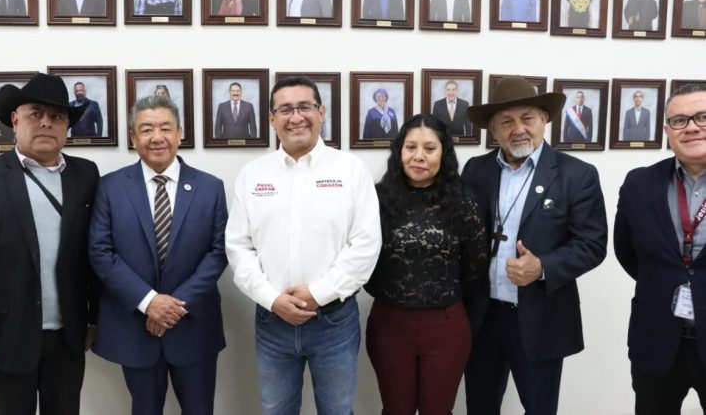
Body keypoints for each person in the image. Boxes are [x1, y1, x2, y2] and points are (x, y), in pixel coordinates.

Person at [225, 76, 381, 415]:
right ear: (272, 119)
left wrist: (318, 293)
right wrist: (272, 299)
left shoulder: (351, 170)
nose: (296, 117)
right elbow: (238, 247)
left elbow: (366, 245)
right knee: (276, 410)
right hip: (272, 320)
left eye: (304, 107)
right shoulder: (253, 175)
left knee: (337, 411)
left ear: (321, 112)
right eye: (285, 110)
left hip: (334, 320)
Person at [0, 73, 99, 414]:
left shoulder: (86, 174)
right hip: (5, 336)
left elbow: (95, 253)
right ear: (15, 120)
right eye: (35, 114)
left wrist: (94, 318)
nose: (46, 123)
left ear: (66, 126)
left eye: (56, 116)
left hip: (68, 336)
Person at [461, 76, 608, 415]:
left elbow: (592, 244)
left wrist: (542, 266)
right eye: (506, 121)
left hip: (540, 319)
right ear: (493, 129)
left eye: (527, 118)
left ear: (544, 118)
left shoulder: (577, 175)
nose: (518, 129)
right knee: (479, 407)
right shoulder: (476, 170)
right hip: (482, 317)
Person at [89, 95, 227, 415]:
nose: (157, 137)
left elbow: (218, 252)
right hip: (135, 328)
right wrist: (149, 301)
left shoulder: (210, 187)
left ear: (180, 133)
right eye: (146, 129)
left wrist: (174, 307)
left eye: (165, 128)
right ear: (133, 137)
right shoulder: (110, 187)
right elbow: (100, 252)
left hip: (194, 326)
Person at [365, 114, 487, 414]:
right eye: (410, 147)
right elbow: (361, 261)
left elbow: (476, 266)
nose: (418, 156)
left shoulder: (463, 199)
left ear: (444, 154)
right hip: (389, 325)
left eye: (429, 148)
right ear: (400, 151)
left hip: (446, 326)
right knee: (396, 410)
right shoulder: (376, 199)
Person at [615, 82, 706, 414]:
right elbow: (627, 252)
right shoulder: (639, 183)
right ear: (668, 131)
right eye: (679, 120)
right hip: (657, 340)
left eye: (702, 117)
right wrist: (666, 279)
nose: (691, 127)